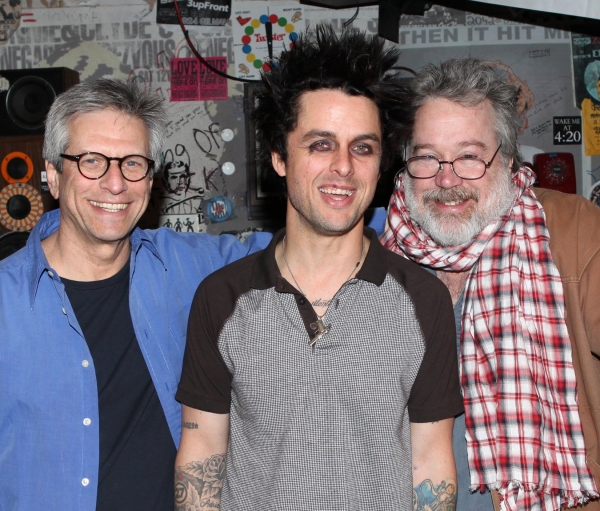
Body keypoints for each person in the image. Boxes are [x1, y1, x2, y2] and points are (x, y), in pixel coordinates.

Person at [175, 25, 463, 511]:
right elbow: (202, 455)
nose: (344, 167)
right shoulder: (221, 299)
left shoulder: (423, 299)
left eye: (363, 147)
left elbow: (431, 464)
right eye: (321, 144)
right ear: (279, 157)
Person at [0, 79, 270, 510]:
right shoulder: (5, 304)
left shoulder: (190, 267)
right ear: (52, 174)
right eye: (91, 161)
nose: (115, 183)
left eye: (132, 163)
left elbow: (302, 254)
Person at [381, 58, 600, 510]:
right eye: (426, 156)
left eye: (469, 156)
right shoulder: (369, 262)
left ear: (506, 156)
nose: (446, 179)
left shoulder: (573, 229)